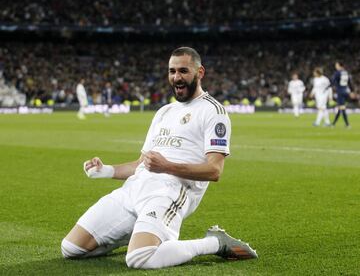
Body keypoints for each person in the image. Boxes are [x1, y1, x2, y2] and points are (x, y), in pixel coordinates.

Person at [61, 47, 258, 269]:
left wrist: (167, 166)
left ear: (200, 72)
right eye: (172, 71)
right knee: (71, 248)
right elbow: (140, 164)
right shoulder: (164, 112)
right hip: (133, 189)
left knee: (139, 258)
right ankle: (140, 233)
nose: (176, 77)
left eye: (183, 71)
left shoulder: (213, 111)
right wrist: (105, 170)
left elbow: (214, 171)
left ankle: (214, 243)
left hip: (170, 191)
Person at [331, 61, 351, 127]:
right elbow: (349, 82)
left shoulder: (337, 73)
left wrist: (329, 87)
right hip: (345, 90)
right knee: (340, 108)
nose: (335, 66)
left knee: (342, 108)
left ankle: (347, 124)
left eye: (336, 65)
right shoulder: (346, 72)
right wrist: (352, 90)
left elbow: (333, 81)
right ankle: (333, 124)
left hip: (340, 91)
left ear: (340, 65)